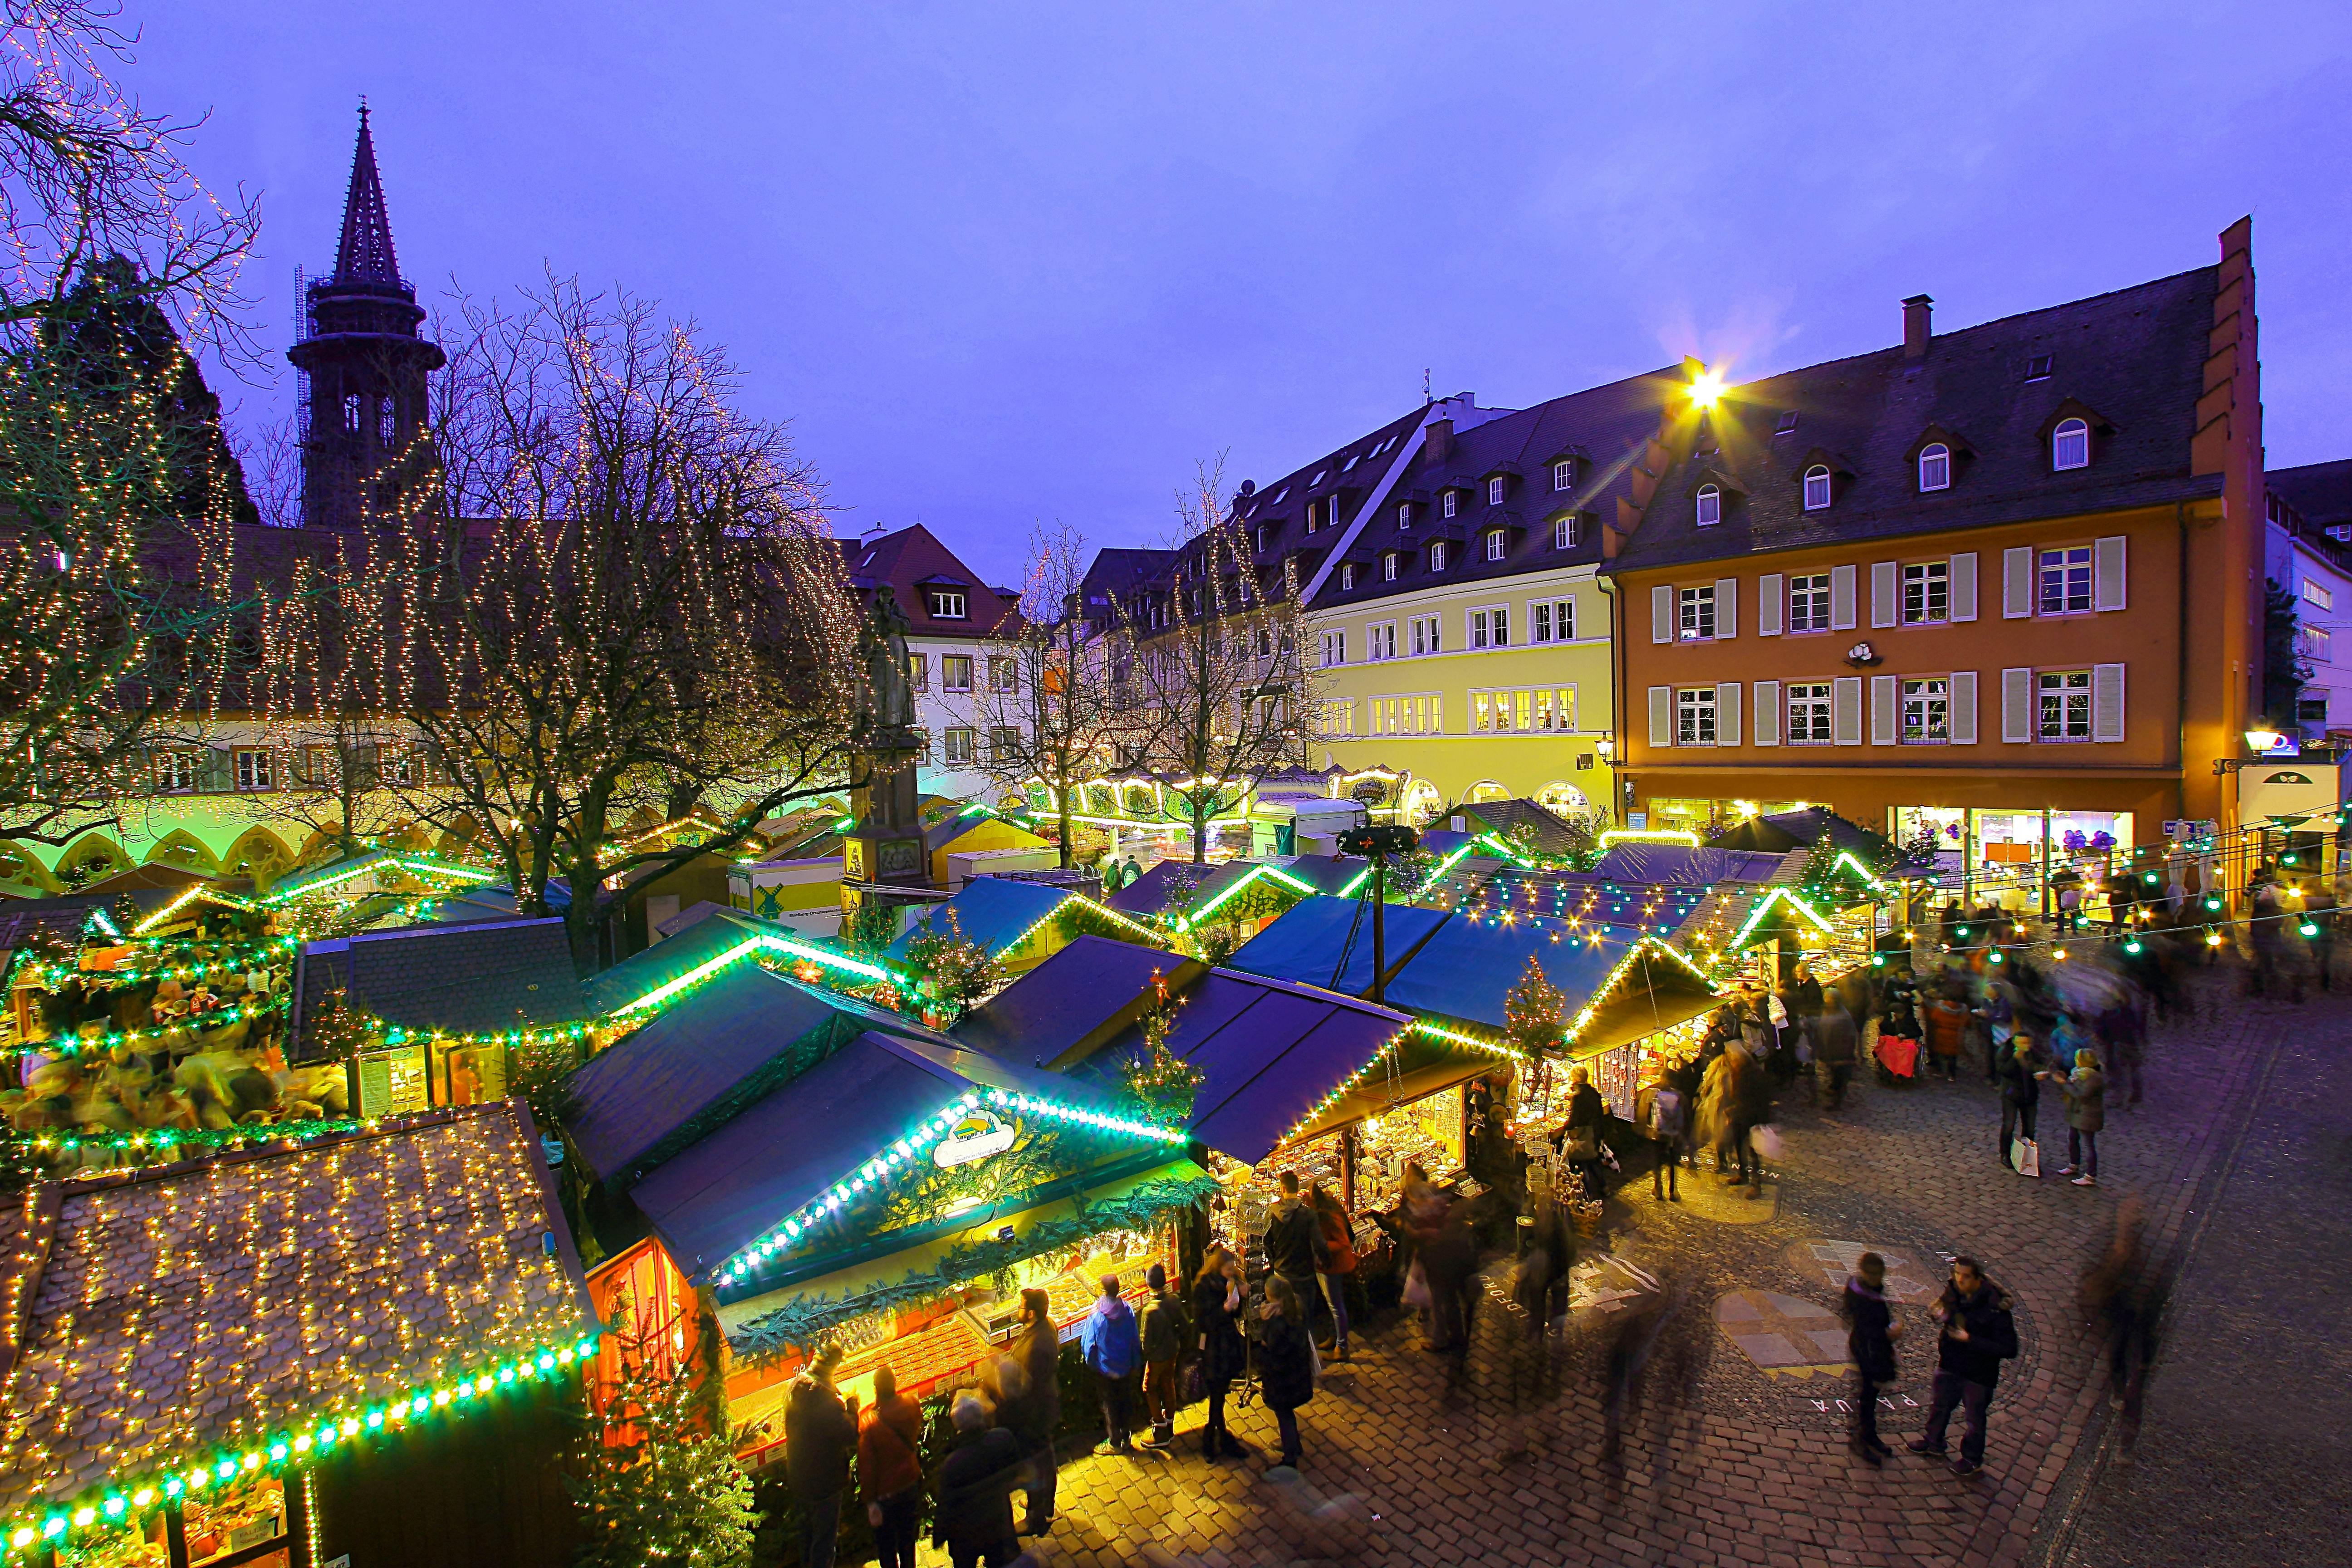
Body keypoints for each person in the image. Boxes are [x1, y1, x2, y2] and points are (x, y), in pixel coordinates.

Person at [1907, 1257, 2019, 1476]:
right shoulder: (1954, 1291)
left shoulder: (1995, 1308)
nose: (1959, 1279)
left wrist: (1970, 1339)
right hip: (1950, 1363)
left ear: (1978, 1279)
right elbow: (1946, 1308)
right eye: (1957, 1273)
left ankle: (1971, 1458)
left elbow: (2009, 1349)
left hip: (1978, 1374)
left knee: (1974, 1419)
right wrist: (1938, 1312)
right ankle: (1933, 1442)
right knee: (1940, 1405)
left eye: (1966, 1276)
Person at [784, 1343, 860, 1568]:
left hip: (799, 1478)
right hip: (825, 1483)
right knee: (824, 1543)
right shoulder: (825, 1399)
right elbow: (849, 1436)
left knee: (807, 1537)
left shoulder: (795, 1386)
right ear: (833, 1367)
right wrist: (852, 1407)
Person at [931, 1392, 1023, 1568]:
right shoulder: (1002, 1438)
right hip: (997, 1522)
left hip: (966, 1535)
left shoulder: (952, 1464)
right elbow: (1015, 1472)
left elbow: (946, 1505)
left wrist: (939, 1535)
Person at [997, 1287, 1059, 1535]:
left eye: (1021, 1306)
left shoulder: (1036, 1346)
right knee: (1044, 1458)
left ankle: (1036, 1517)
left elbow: (1027, 1383)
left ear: (1031, 1313)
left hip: (1036, 1415)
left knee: (1037, 1462)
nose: (1018, 1310)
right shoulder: (1043, 1328)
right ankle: (1044, 1505)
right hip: (1043, 1409)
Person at [858, 1365, 924, 1568]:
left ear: (876, 1389)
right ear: (895, 1384)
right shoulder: (911, 1404)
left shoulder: (869, 1423)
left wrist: (870, 1503)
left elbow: (866, 1468)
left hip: (885, 1496)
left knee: (886, 1547)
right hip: (910, 1483)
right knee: (907, 1539)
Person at [1841, 1252, 1902, 1465]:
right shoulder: (1862, 1295)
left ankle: (1869, 1434)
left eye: (1879, 1274)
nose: (1877, 1278)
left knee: (1871, 1394)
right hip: (1866, 1350)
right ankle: (1860, 1437)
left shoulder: (1868, 1289)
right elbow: (1867, 1326)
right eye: (1873, 1274)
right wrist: (1890, 1333)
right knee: (1865, 1394)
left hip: (1874, 1348)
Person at [1191, 1246, 1250, 1459]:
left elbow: (1235, 1314)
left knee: (1219, 1395)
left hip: (1227, 1346)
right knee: (1217, 1396)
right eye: (1228, 1269)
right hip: (1213, 1350)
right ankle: (1215, 1440)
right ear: (1219, 1267)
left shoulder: (1228, 1283)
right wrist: (1224, 1309)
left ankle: (1217, 1439)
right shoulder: (1203, 1287)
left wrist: (1239, 1300)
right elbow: (1203, 1322)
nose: (1231, 1272)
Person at [1256, 1276, 1317, 1473]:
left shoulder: (1277, 1323)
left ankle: (1290, 1457)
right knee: (1287, 1414)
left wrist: (1265, 1325)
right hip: (1298, 1372)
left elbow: (1271, 1347)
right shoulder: (1297, 1306)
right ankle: (1294, 1445)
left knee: (1284, 1415)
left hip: (1283, 1378)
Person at [1260, 1170, 1330, 1339]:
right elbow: (1320, 1244)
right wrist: (1327, 1263)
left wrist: (1274, 1259)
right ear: (1297, 1189)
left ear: (1283, 1189)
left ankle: (1287, 1347)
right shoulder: (1308, 1215)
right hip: (1304, 1274)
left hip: (1282, 1273)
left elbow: (1266, 1243)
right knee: (1306, 1317)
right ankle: (1307, 1349)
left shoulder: (1272, 1213)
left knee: (1283, 1315)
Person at [1080, 1274, 1142, 1454]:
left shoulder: (1096, 1317)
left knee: (1110, 1406)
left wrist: (1093, 1365)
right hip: (1125, 1367)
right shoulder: (1128, 1310)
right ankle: (1126, 1436)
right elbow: (1135, 1340)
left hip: (1106, 1371)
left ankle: (1114, 1443)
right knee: (1125, 1401)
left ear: (1103, 1291)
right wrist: (1135, 1363)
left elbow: (1088, 1345)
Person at [1137, 1262, 1190, 1449]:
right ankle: (1170, 1424)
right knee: (1168, 1383)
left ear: (1148, 1285)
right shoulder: (1174, 1300)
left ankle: (1160, 1431)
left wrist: (1147, 1355)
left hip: (1158, 1357)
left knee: (1149, 1388)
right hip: (1173, 1351)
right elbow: (1184, 1326)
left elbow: (1145, 1341)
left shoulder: (1149, 1311)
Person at [1309, 1179, 1357, 1361]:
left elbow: (1343, 1242)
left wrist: (1322, 1245)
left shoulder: (1329, 1216)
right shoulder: (1327, 1211)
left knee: (1336, 1306)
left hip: (1333, 1266)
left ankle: (1342, 1346)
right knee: (1330, 1304)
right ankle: (1334, 1337)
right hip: (1325, 1266)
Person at [2047, 1045, 2106, 1186]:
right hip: (2078, 1114)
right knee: (2073, 1138)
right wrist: (2064, 1081)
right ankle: (2074, 1164)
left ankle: (2091, 1175)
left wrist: (2064, 1084)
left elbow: (2081, 1096)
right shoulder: (2080, 1073)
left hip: (2088, 1115)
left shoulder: (2094, 1078)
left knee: (2088, 1144)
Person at [1632, 1060, 1684, 1200]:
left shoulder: (1653, 1094)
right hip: (1672, 1134)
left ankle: (1658, 1187)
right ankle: (1672, 1191)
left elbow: (1645, 1115)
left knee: (1657, 1161)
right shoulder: (1678, 1096)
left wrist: (1645, 1131)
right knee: (1672, 1163)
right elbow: (1682, 1118)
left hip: (1657, 1135)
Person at [1559, 1065, 1608, 1202]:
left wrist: (1565, 1126)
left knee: (1581, 1163)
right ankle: (1604, 1187)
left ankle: (1588, 1192)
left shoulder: (1579, 1096)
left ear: (1577, 1078)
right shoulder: (1594, 1093)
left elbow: (1574, 1120)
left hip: (1584, 1135)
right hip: (1596, 1132)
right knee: (1594, 1160)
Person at [1997, 1034, 2041, 1172]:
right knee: (2009, 1125)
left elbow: (2039, 1066)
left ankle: (2027, 1158)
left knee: (2030, 1128)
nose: (2025, 1046)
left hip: (2029, 1095)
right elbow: (2003, 1071)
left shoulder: (2033, 1054)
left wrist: (2041, 1073)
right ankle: (2005, 1154)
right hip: (2011, 1095)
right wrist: (2015, 1059)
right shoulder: (2005, 1052)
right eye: (2022, 1043)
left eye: (2027, 1043)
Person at [1813, 997, 1858, 1112]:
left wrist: (1845, 1055)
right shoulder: (1830, 1012)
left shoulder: (1843, 1017)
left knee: (1841, 1077)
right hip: (1831, 1052)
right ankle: (1833, 1088)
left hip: (1841, 1055)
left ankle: (1837, 1102)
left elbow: (1850, 1038)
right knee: (1834, 1074)